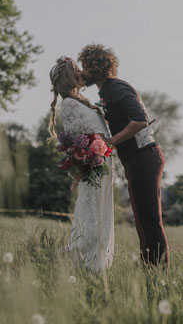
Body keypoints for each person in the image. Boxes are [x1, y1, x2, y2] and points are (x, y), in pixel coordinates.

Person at [78, 44, 169, 266]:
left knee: (149, 219)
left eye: (85, 67)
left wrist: (110, 142)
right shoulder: (107, 91)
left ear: (95, 66)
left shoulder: (117, 88)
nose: (82, 72)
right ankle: (150, 267)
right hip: (135, 159)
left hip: (144, 157)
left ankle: (158, 271)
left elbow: (139, 120)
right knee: (141, 218)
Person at [48, 56, 114, 273]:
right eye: (77, 69)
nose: (82, 72)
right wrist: (95, 152)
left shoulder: (80, 102)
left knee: (101, 215)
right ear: (69, 77)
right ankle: (68, 261)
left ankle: (95, 267)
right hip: (94, 167)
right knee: (91, 218)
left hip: (104, 164)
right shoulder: (68, 104)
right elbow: (80, 139)